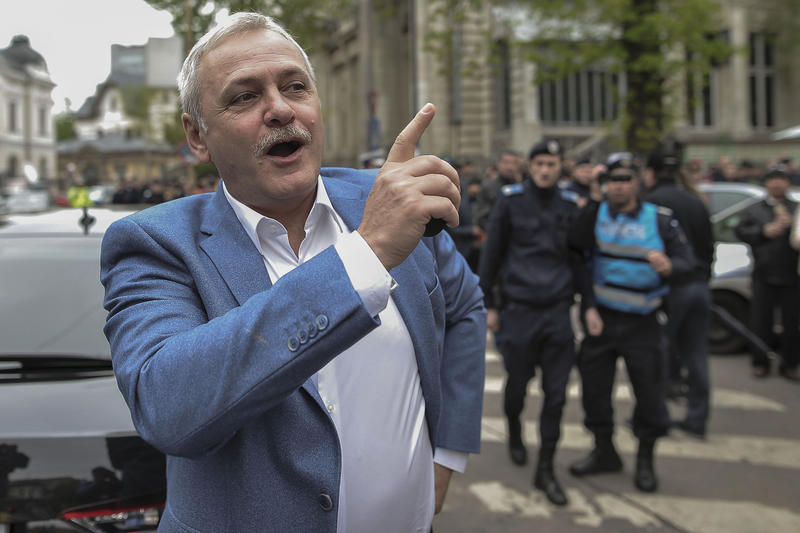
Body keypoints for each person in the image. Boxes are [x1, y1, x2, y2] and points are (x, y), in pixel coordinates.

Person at [100, 13, 486, 533]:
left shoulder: (387, 198)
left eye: (295, 86)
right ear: (197, 135)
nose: (281, 109)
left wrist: (449, 452)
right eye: (244, 97)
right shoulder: (155, 244)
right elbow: (167, 408)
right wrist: (365, 256)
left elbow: (465, 307)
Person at [567, 152, 694, 493]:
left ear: (638, 182)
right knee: (594, 393)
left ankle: (645, 460)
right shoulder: (595, 214)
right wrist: (588, 307)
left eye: (625, 179)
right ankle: (604, 452)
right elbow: (575, 250)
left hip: (644, 324)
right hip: (602, 321)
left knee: (650, 396)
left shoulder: (660, 219)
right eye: (612, 180)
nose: (619, 186)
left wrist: (670, 266)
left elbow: (688, 262)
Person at [478, 139, 589, 506]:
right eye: (539, 163)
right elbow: (492, 255)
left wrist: (589, 306)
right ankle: (514, 428)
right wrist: (490, 305)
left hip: (557, 312)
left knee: (556, 395)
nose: (545, 170)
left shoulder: (569, 204)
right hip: (519, 311)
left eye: (551, 164)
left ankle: (546, 468)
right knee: (517, 385)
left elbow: (579, 260)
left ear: (561, 167)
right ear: (530, 166)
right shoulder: (510, 201)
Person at [644, 146, 715, 438]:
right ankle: (697, 420)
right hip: (697, 285)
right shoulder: (696, 201)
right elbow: (709, 248)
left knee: (656, 354)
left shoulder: (650, 203)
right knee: (696, 356)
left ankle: (654, 417)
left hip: (669, 289)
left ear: (650, 173)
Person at [734, 166, 799, 381]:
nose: (777, 183)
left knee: (792, 323)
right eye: (773, 179)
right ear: (766, 183)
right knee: (761, 321)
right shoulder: (755, 209)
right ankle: (760, 362)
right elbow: (740, 231)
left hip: (792, 275)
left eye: (781, 179)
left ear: (788, 183)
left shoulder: (796, 208)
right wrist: (763, 231)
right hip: (763, 273)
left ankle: (790, 364)